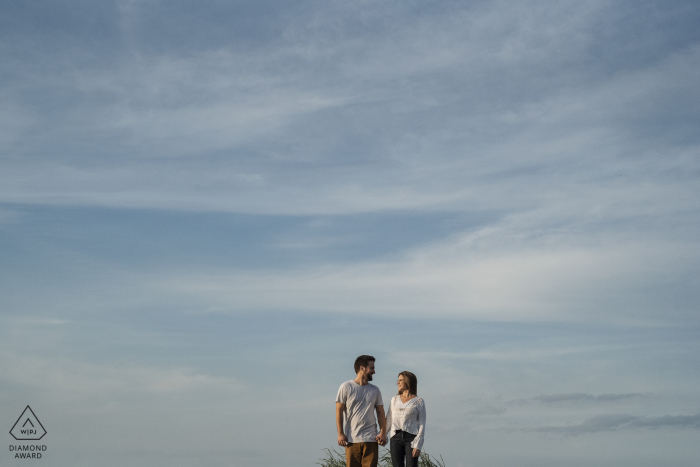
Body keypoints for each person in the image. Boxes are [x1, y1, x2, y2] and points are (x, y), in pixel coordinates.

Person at [336, 355, 387, 467]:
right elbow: (339, 411)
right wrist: (340, 433)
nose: (374, 371)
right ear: (362, 368)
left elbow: (380, 412)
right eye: (372, 368)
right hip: (351, 439)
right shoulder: (346, 387)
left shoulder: (375, 390)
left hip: (371, 439)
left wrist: (383, 433)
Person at [385, 371, 426, 467]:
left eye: (400, 380)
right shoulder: (394, 399)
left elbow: (422, 424)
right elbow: (389, 419)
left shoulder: (419, 401)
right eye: (398, 380)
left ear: (408, 381)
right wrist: (383, 434)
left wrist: (418, 445)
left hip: (412, 438)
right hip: (395, 437)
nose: (397, 383)